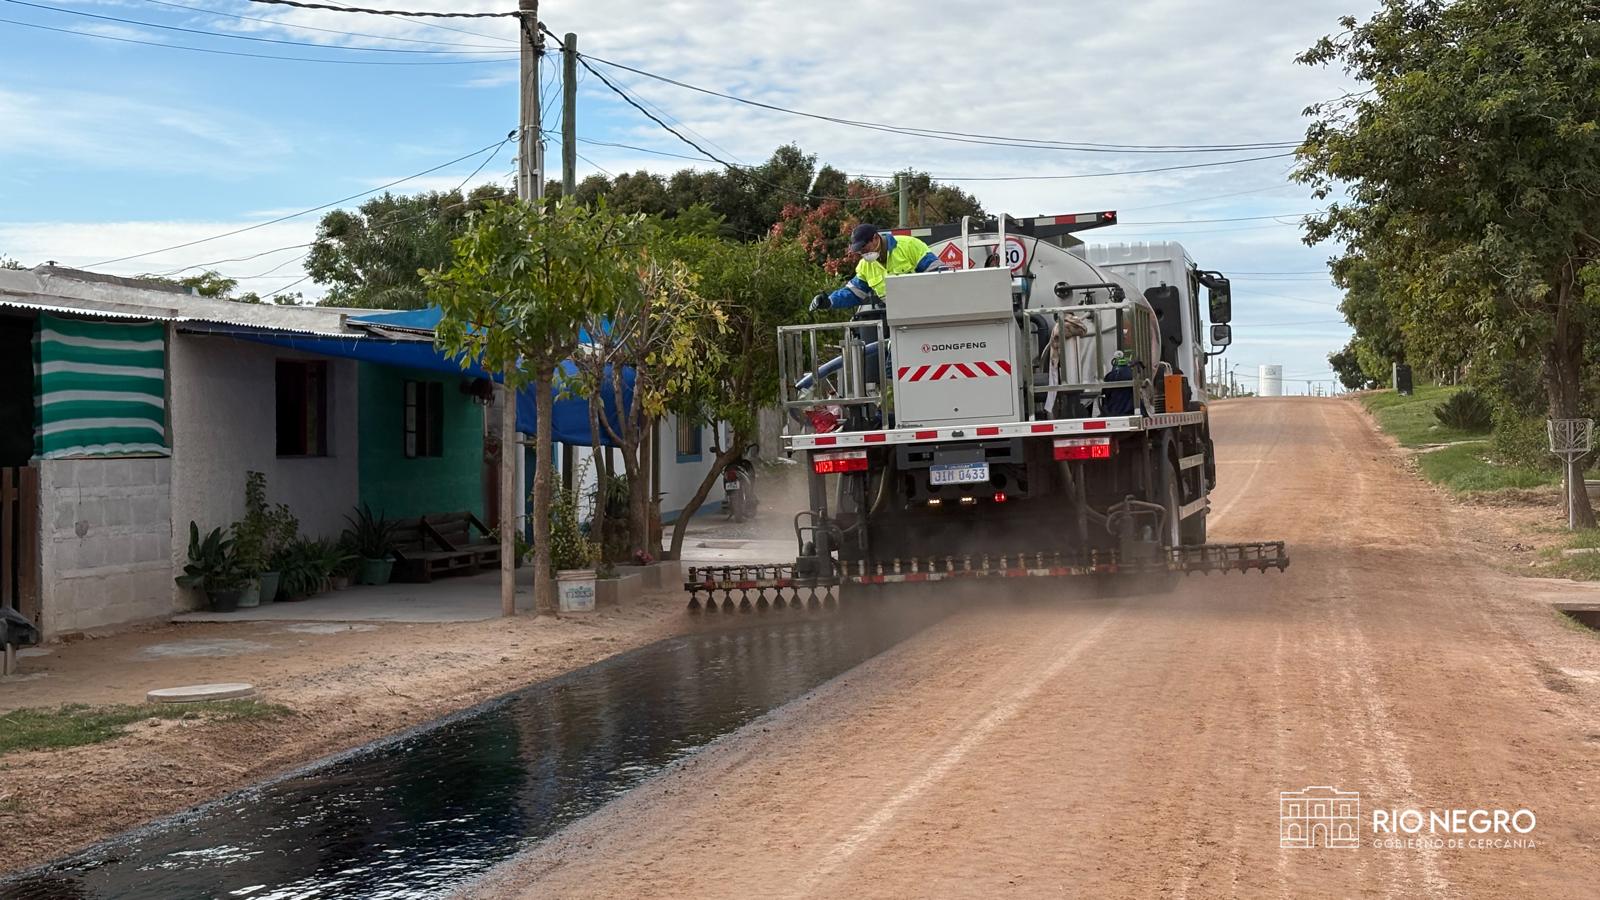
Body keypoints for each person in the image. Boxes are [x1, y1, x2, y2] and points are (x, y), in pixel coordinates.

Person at [810, 223, 947, 311]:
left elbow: (940, 276)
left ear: (875, 238)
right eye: (860, 251)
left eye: (864, 248)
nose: (863, 253)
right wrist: (830, 301)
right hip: (898, 319)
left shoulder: (909, 245)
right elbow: (853, 293)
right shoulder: (865, 266)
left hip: (929, 312)